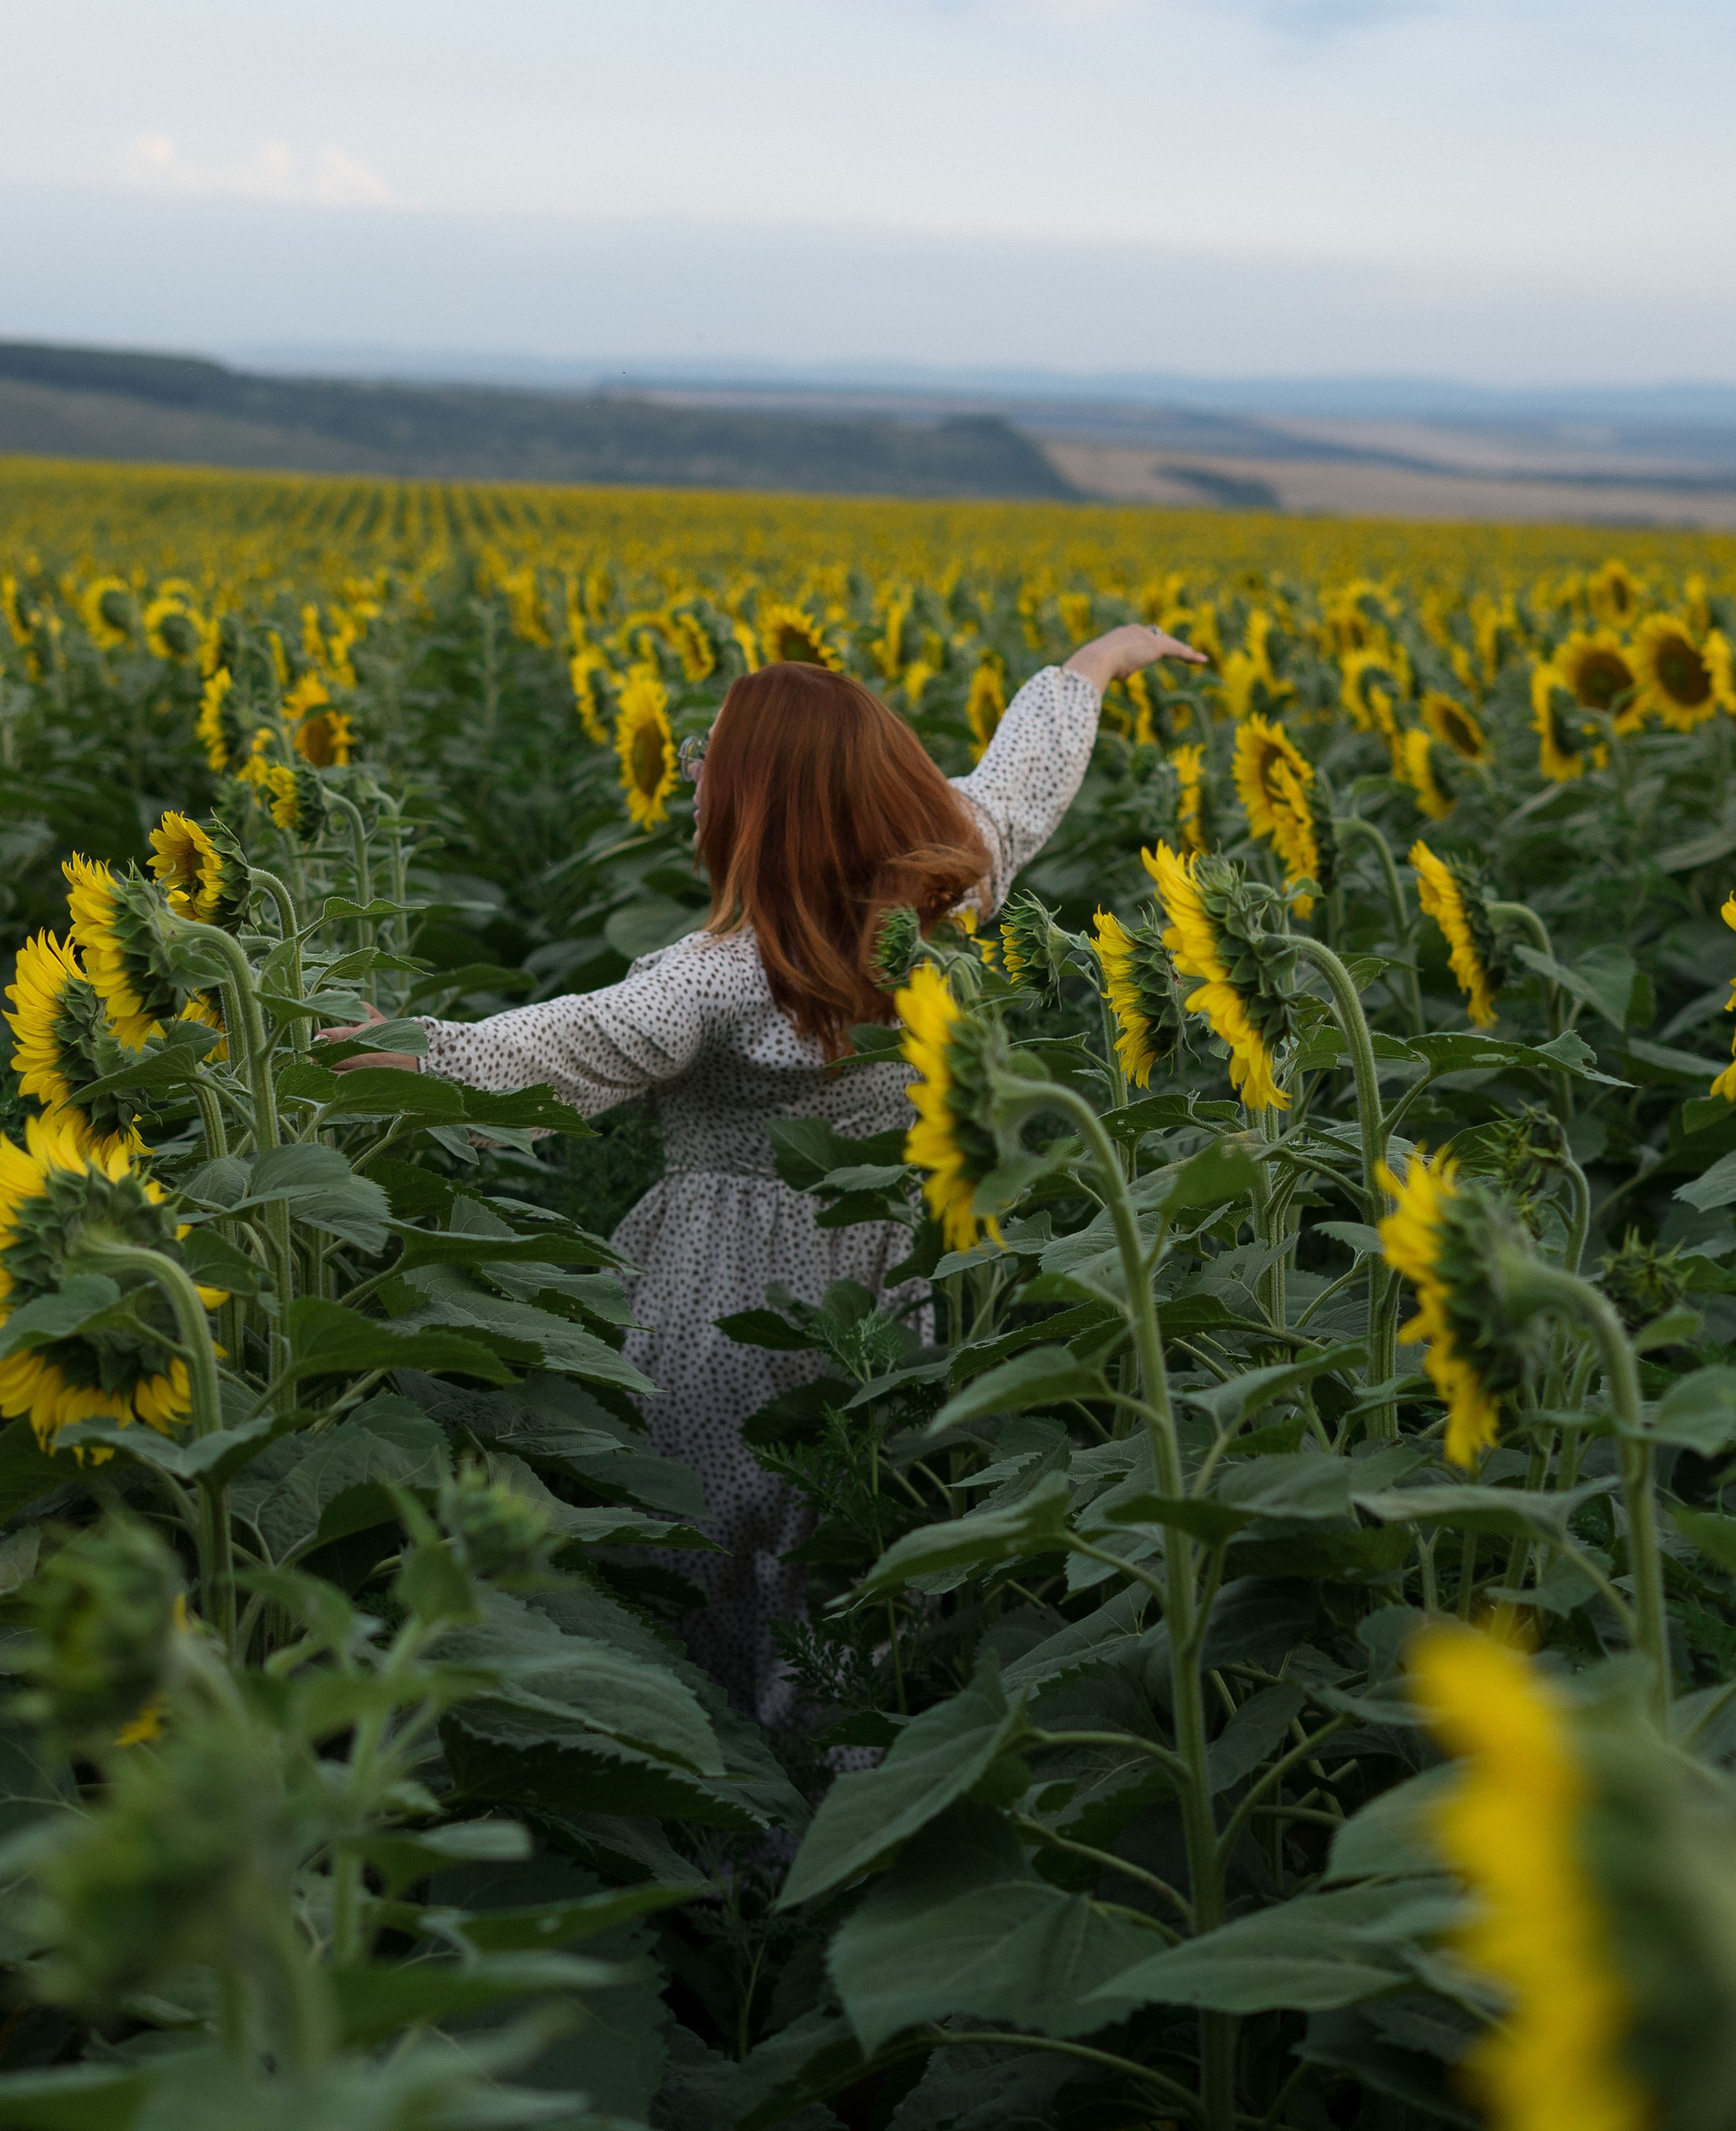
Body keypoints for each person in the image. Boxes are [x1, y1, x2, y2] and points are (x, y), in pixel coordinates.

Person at [326, 626, 1203, 1721]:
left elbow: (537, 1054)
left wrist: (371, 1048)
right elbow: (1019, 783)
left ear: (755, 810)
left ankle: (722, 1805)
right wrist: (1098, 664)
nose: (693, 777)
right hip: (885, 1306)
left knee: (705, 1598)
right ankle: (850, 1790)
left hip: (727, 1322)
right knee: (856, 1590)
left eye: (715, 764)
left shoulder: (714, 981)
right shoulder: (944, 896)